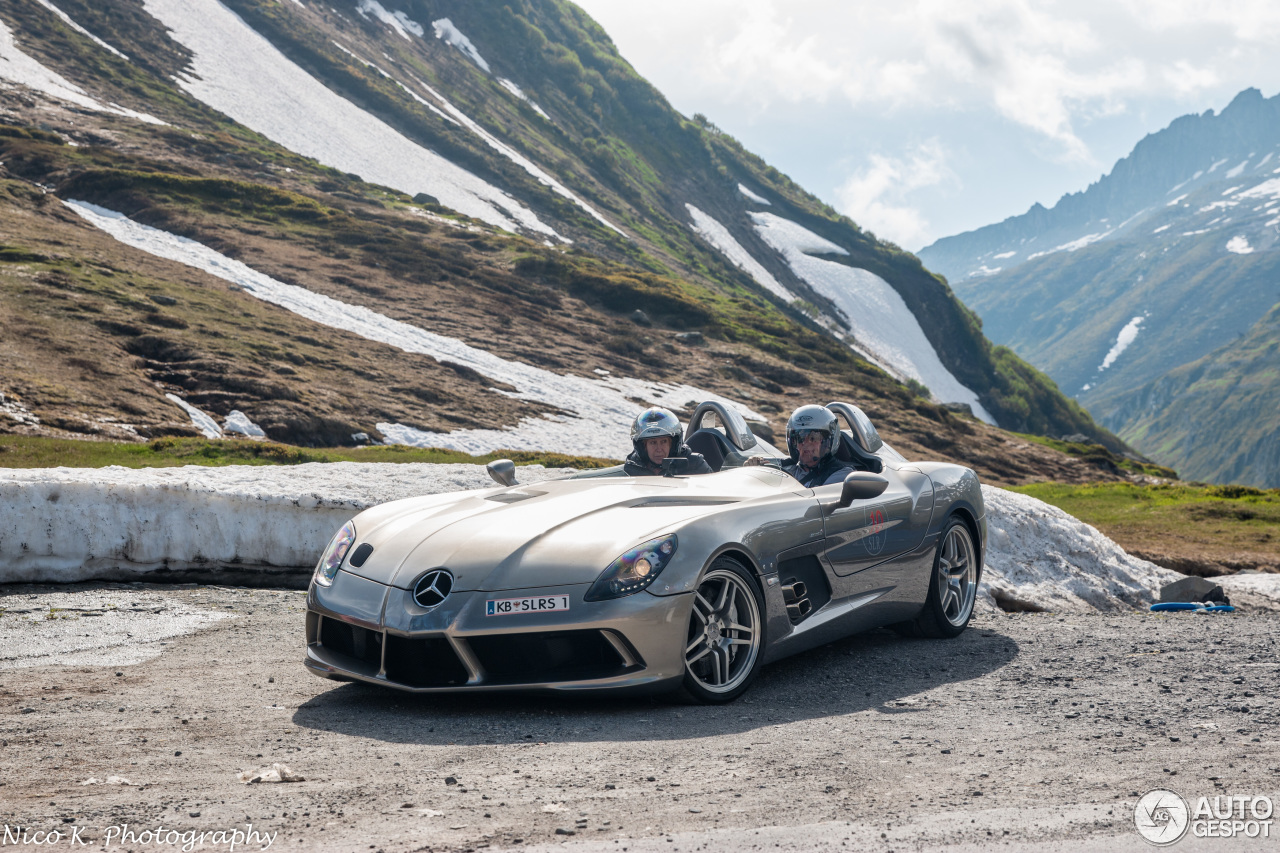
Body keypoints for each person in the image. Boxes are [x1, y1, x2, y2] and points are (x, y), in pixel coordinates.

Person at [746, 405, 855, 487]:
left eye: (813, 438)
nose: (805, 443)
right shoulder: (786, 468)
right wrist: (751, 471)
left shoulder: (842, 475)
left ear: (828, 442)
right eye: (799, 438)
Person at [623, 407, 714, 476]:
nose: (659, 449)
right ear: (643, 447)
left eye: (663, 441)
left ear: (673, 444)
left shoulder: (695, 464)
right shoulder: (631, 468)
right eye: (653, 443)